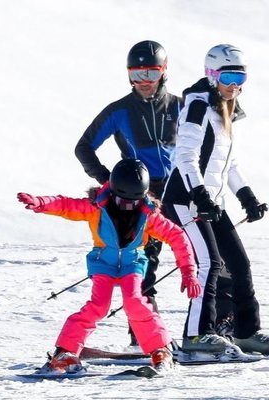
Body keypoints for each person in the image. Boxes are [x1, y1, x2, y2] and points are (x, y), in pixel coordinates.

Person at [17, 159, 201, 372]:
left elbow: (177, 236)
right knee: (99, 305)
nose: (128, 206)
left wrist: (189, 272)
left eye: (133, 202)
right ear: (112, 192)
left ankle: (160, 349)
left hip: (132, 262)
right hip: (103, 262)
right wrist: (41, 202)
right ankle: (65, 352)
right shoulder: (96, 206)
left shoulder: (149, 214)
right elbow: (66, 205)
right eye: (122, 201)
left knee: (134, 301)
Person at [161, 44, 268, 354]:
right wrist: (198, 193)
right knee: (209, 264)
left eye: (241, 78)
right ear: (211, 75)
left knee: (240, 264)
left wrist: (247, 197)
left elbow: (227, 163)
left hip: (211, 201)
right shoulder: (198, 105)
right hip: (185, 200)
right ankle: (196, 334)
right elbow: (186, 156)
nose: (235, 85)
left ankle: (247, 332)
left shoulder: (226, 110)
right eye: (229, 76)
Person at [75, 40, 182, 344]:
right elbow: (83, 148)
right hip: (142, 197)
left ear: (163, 71)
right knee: (144, 263)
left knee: (206, 257)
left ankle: (213, 328)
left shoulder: (181, 106)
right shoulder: (119, 110)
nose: (144, 81)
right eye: (136, 74)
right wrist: (112, 182)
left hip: (181, 190)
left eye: (150, 72)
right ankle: (146, 333)